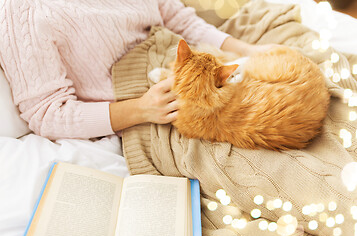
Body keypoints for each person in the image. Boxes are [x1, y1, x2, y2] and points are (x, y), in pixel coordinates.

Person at [0, 0, 275, 140]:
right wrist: (142, 109)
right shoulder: (21, 12)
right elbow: (46, 113)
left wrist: (247, 50)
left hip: (194, 63)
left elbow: (177, 17)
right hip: (145, 109)